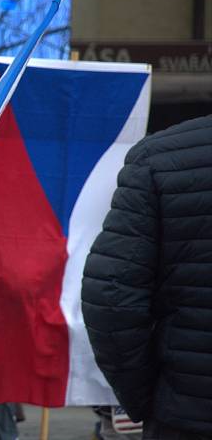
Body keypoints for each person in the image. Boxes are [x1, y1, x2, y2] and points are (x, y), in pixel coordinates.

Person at [82, 114, 212, 439]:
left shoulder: (158, 156)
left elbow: (111, 299)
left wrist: (146, 397)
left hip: (186, 412)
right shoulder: (157, 160)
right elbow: (111, 297)